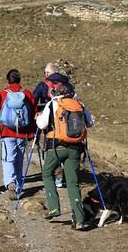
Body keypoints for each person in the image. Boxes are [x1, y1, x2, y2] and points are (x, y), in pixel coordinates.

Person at [36, 84, 95, 231]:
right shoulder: (79, 104)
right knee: (73, 182)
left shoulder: (53, 104)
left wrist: (38, 117)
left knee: (47, 174)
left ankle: (54, 207)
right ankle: (79, 220)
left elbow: (42, 124)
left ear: (56, 93)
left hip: (57, 146)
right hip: (75, 148)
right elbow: (90, 123)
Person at [0, 69, 37, 200]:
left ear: (7, 80)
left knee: (8, 159)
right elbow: (33, 113)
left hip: (7, 132)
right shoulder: (27, 94)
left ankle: (10, 183)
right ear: (19, 80)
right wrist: (32, 133)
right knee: (19, 160)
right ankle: (18, 186)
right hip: (23, 133)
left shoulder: (3, 94)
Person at [33, 62, 76, 188]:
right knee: (67, 143)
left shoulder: (43, 85)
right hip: (67, 121)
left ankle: (57, 176)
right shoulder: (67, 84)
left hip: (50, 120)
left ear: (47, 73)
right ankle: (68, 174)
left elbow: (34, 99)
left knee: (52, 146)